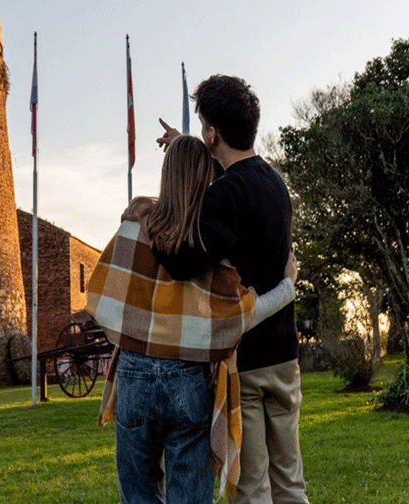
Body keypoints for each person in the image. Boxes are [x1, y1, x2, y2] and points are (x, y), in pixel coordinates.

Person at [86, 135, 299, 504]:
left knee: (137, 496)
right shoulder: (207, 243)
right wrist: (287, 287)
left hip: (134, 371)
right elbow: (241, 315)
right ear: (207, 179)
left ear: (165, 174)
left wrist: (141, 331)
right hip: (188, 376)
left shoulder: (135, 224)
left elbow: (102, 298)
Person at [156, 76, 309, 504]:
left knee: (252, 487)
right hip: (285, 357)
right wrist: (185, 142)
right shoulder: (276, 185)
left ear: (212, 134)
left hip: (247, 362)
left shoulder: (226, 194)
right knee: (290, 482)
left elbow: (182, 262)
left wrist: (158, 220)